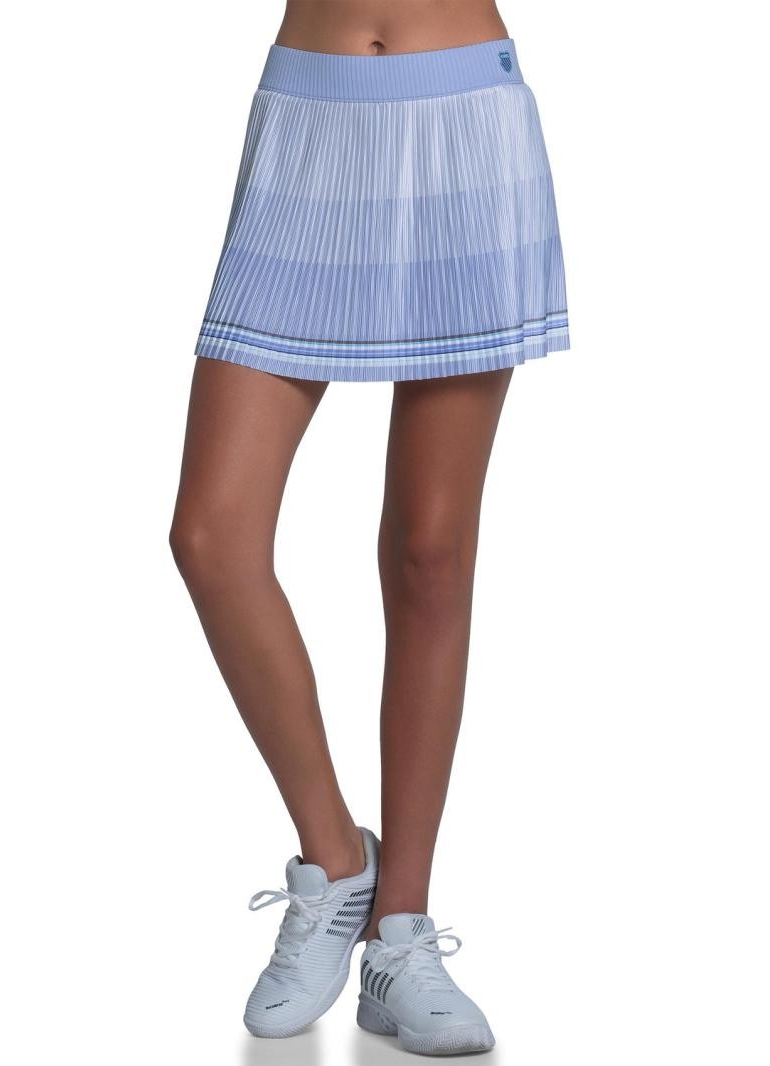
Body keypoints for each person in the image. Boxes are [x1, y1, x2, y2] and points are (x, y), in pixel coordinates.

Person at [170, 0, 569, 1054]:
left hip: (462, 121)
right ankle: (336, 859)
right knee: (211, 537)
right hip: (309, 119)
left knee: (431, 553)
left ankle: (400, 937)